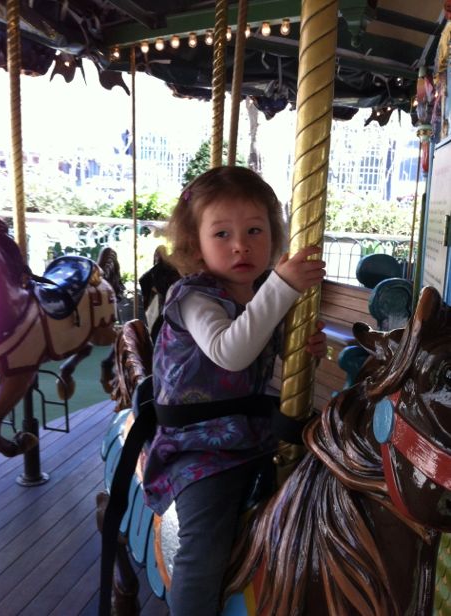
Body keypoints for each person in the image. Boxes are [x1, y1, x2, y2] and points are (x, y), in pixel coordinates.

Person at [142, 166, 327, 616]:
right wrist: (283, 287)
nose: (240, 244)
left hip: (252, 434)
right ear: (195, 245)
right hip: (200, 447)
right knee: (203, 548)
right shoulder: (194, 298)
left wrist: (302, 349)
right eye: (221, 233)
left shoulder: (257, 295)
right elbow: (231, 352)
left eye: (254, 230)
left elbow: (265, 349)